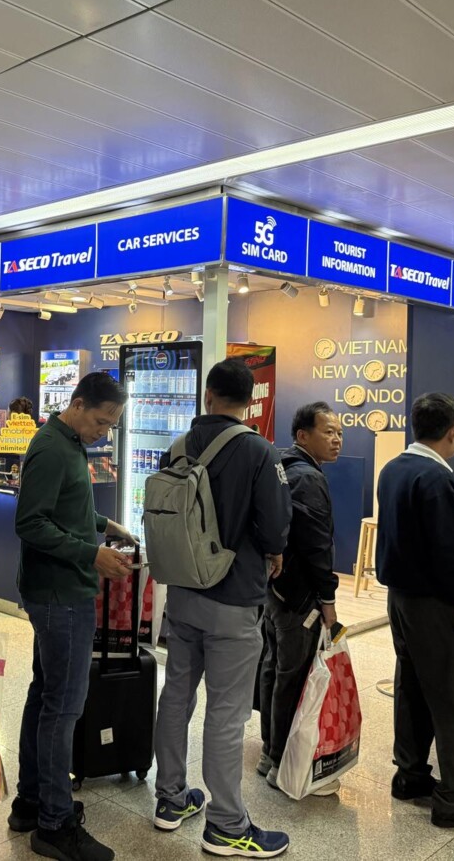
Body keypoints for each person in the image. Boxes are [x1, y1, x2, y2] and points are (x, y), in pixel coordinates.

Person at [152, 359, 293, 857]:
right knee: (227, 712)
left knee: (176, 695)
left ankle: (170, 798)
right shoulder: (260, 451)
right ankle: (228, 824)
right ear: (249, 401)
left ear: (208, 394)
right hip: (234, 598)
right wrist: (274, 551)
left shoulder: (176, 447)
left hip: (182, 593)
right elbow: (275, 526)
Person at [11, 371, 135, 861]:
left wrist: (104, 524)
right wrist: (91, 554)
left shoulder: (69, 444)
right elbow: (30, 522)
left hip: (61, 591)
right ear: (78, 404)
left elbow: (64, 509)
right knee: (63, 708)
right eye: (101, 422)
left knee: (46, 696)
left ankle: (31, 801)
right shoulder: (50, 447)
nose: (103, 433)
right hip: (59, 596)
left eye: (111, 426)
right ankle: (55, 823)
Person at [376, 393, 454, 829]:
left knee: (411, 687)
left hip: (400, 598)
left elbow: (413, 528)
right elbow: (448, 555)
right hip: (435, 604)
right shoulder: (437, 477)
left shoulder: (395, 468)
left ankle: (409, 776)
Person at [257, 402, 342, 794]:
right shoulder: (307, 477)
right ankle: (282, 764)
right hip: (299, 596)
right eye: (328, 431)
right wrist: (327, 597)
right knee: (293, 676)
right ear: (303, 435)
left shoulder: (282, 465)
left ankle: (269, 751)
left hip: (275, 589)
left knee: (275, 669)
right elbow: (316, 545)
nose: (337, 439)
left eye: (339, 432)